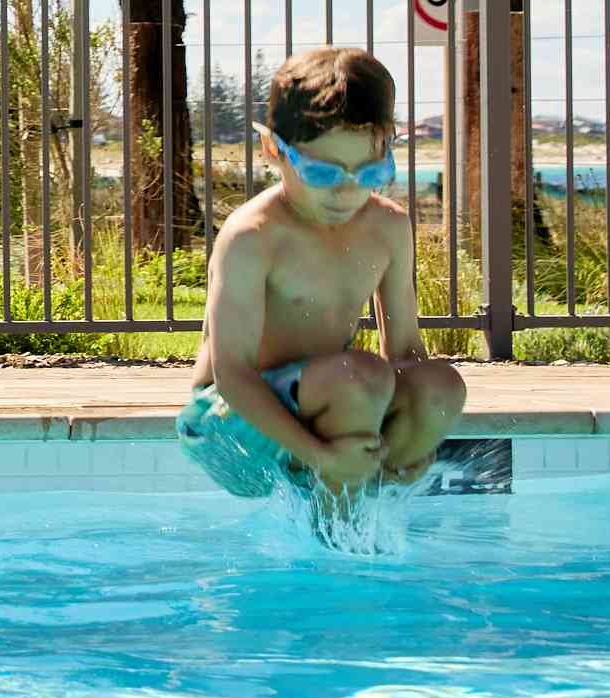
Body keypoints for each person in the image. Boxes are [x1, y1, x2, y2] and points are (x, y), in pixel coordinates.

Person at [182, 43, 469, 508]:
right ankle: (337, 543)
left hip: (326, 401)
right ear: (274, 150)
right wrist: (317, 454)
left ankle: (364, 506)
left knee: (440, 387)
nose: (347, 190)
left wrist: (420, 438)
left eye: (371, 171)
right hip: (229, 424)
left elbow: (406, 352)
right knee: (357, 377)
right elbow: (231, 375)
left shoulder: (388, 228)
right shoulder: (254, 236)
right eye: (322, 172)